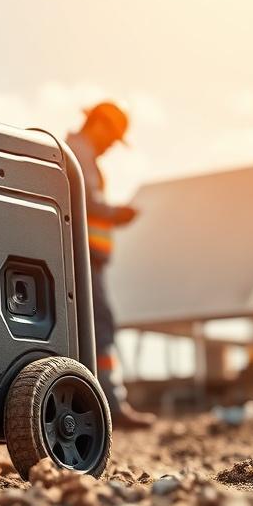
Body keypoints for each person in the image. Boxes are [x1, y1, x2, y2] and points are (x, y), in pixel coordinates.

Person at [66, 102, 156, 430]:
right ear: (99, 124)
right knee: (100, 327)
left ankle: (95, 402)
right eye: (112, 138)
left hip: (88, 257)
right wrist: (119, 214)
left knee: (91, 328)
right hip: (84, 255)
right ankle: (111, 403)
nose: (110, 147)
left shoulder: (80, 152)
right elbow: (87, 203)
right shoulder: (81, 151)